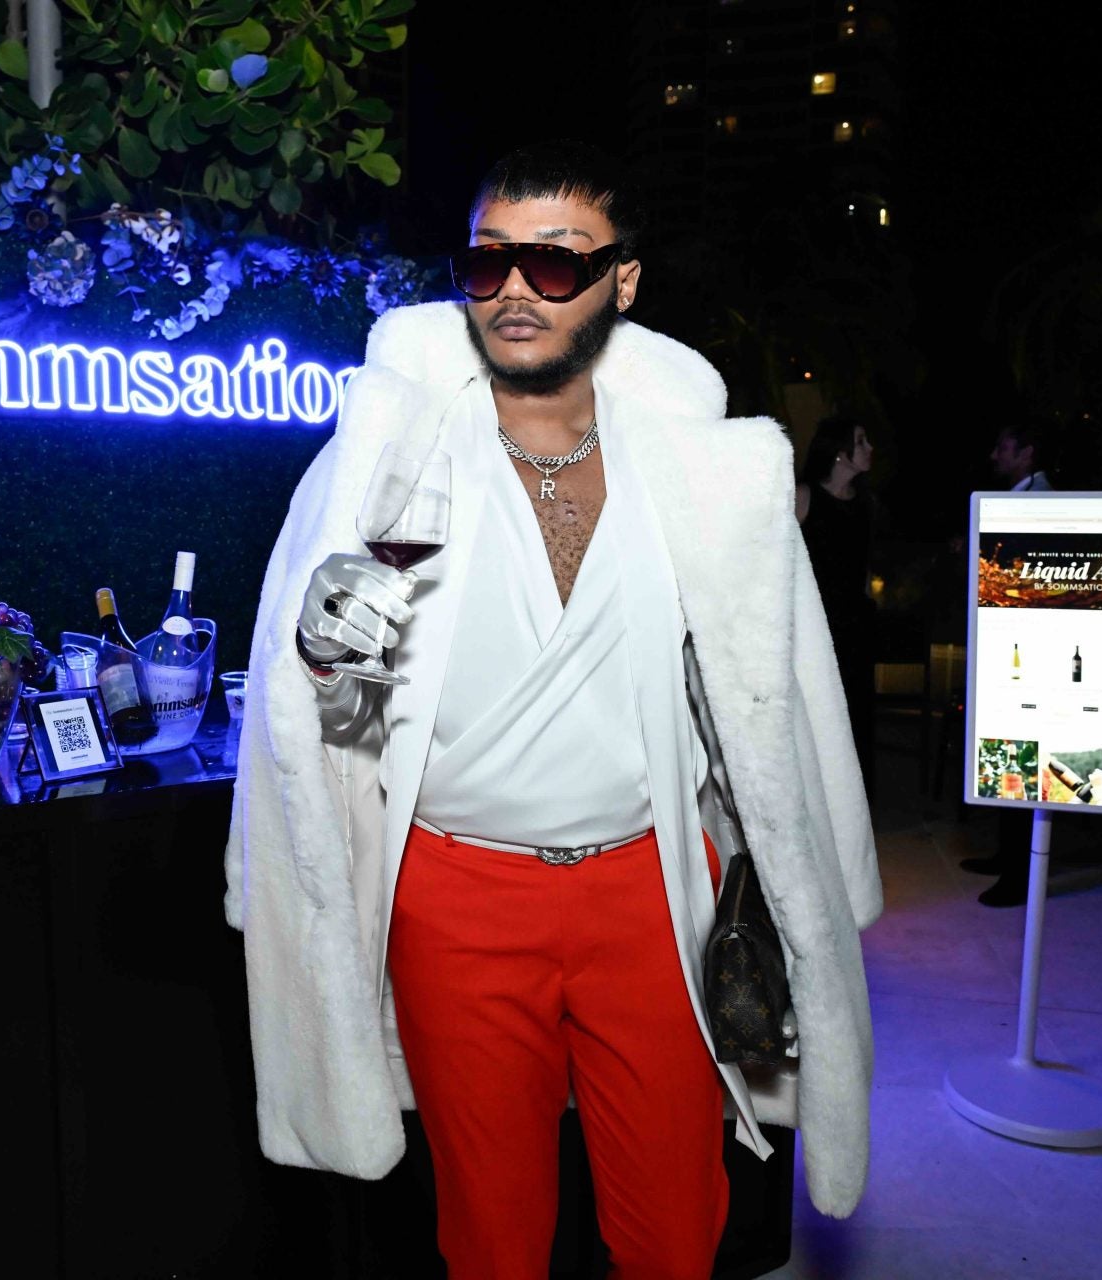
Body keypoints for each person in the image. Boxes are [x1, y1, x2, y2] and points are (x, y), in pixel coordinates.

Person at [226, 140, 881, 1278]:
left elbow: (773, 702)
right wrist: (327, 659)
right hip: (456, 896)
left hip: (650, 890)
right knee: (492, 1236)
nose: (516, 290)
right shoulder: (385, 461)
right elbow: (321, 711)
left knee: (675, 1229)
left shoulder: (702, 472)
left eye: (556, 262)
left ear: (623, 281)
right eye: (489, 264)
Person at [964, 424, 1057, 906]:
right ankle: (1008, 856)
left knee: (1024, 751)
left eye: (1003, 446)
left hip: (1029, 646)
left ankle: (1021, 872)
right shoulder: (1019, 497)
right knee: (1005, 748)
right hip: (1011, 642)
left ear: (1027, 452)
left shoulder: (1042, 501)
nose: (994, 454)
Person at [797, 416, 878, 797]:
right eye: (860, 441)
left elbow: (863, 566)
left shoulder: (866, 503)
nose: (869, 448)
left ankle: (855, 801)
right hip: (817, 625)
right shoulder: (804, 497)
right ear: (839, 452)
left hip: (855, 624)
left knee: (856, 713)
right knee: (820, 715)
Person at [990, 422, 1053, 491]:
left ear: (1026, 453)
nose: (993, 456)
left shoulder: (1036, 494)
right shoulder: (1033, 490)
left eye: (1002, 449)